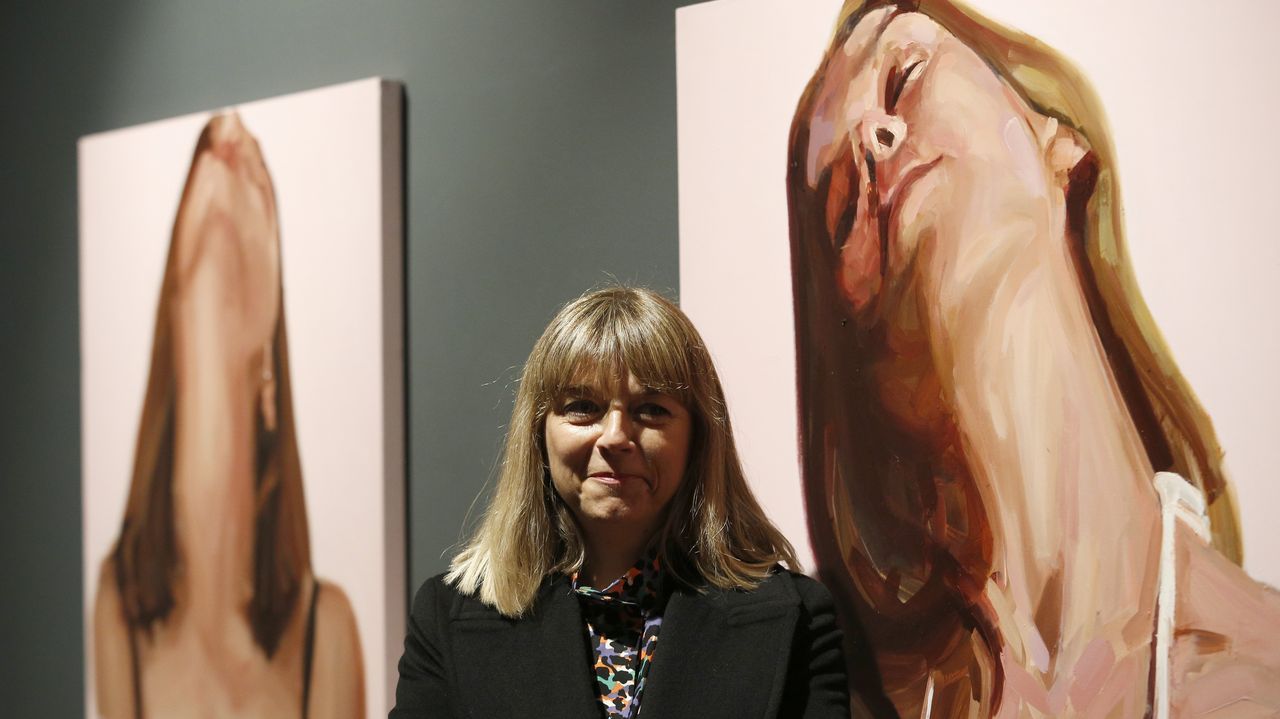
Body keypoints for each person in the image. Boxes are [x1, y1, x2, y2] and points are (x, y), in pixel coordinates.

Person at [787, 0, 1280, 716]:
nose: (879, 139)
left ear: (1059, 142)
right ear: (864, 372)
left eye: (905, 77)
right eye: (839, 209)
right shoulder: (831, 695)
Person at [390, 286, 851, 718]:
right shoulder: (448, 617)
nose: (615, 437)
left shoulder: (796, 618)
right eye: (582, 407)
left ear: (698, 439)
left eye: (651, 409)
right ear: (538, 433)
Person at [93, 113, 365, 719]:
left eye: (259, 178)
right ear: (171, 297)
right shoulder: (120, 606)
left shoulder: (328, 632)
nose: (231, 136)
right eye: (208, 153)